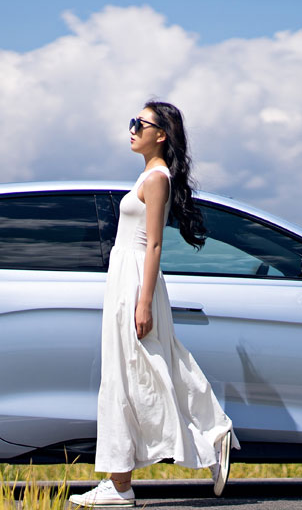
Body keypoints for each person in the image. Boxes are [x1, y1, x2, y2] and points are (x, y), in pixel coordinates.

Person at [70, 100, 238, 508]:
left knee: (137, 374)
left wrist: (143, 302)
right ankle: (126, 480)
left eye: (139, 123)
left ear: (160, 135)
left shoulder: (157, 177)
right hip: (126, 280)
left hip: (136, 283)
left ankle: (126, 481)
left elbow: (155, 245)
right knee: (142, 370)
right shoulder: (147, 175)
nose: (132, 129)